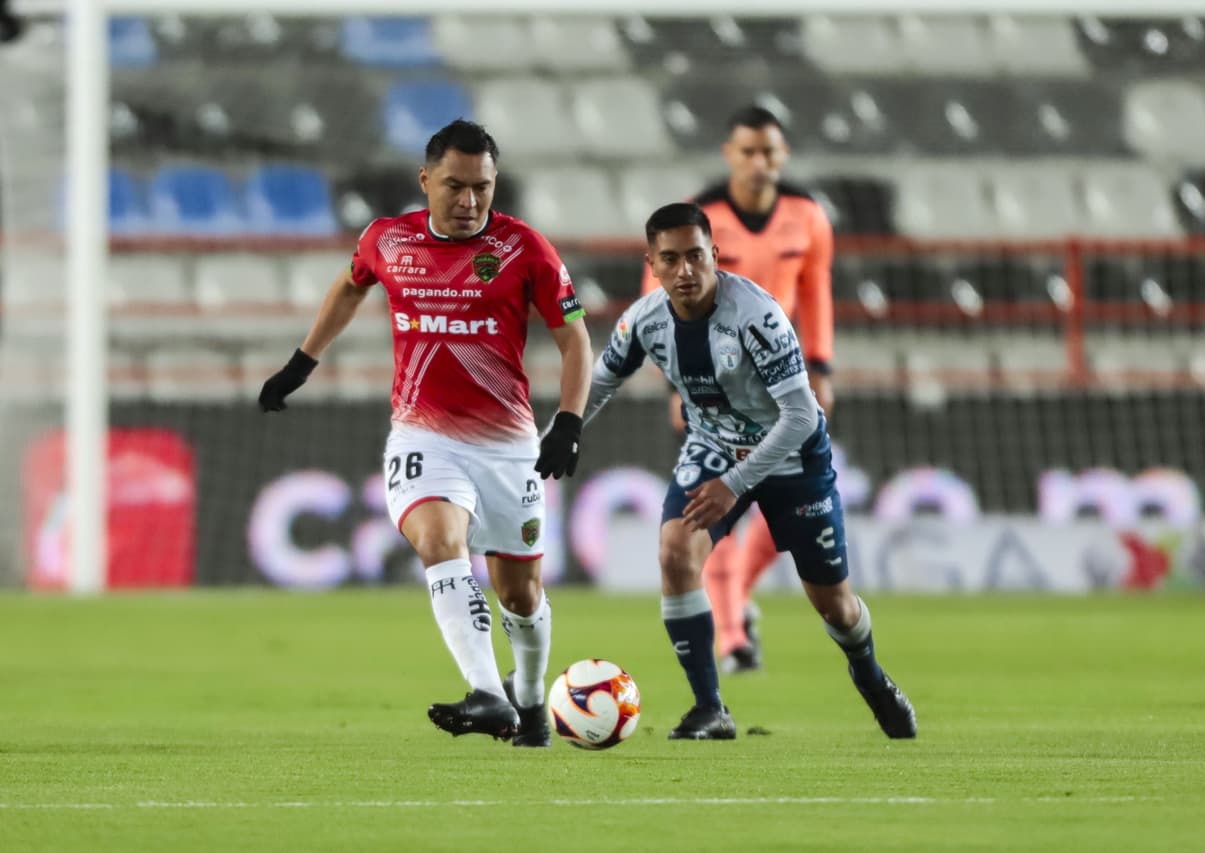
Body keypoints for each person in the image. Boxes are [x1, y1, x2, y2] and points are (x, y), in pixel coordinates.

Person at [258, 119, 592, 748]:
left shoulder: (526, 249)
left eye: (483, 188)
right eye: (455, 186)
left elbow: (574, 337)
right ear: (425, 180)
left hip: (508, 446)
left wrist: (568, 420)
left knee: (519, 594)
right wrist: (302, 362)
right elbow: (350, 286)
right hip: (423, 438)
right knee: (440, 542)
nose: (469, 202)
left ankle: (529, 701)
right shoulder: (388, 240)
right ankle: (488, 693)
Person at [590, 202, 914, 740]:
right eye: (669, 260)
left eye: (696, 256)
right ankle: (710, 708)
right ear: (652, 264)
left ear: (715, 254)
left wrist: (736, 484)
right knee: (675, 550)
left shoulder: (756, 315)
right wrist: (563, 429)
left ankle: (870, 675)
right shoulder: (645, 319)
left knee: (834, 605)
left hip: (791, 455)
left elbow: (802, 415)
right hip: (714, 446)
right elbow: (600, 380)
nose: (685, 271)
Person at [642, 105, 835, 674]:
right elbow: (657, 306)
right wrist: (677, 385)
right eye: (747, 151)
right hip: (713, 387)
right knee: (712, 510)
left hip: (781, 383)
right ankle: (732, 636)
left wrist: (821, 365)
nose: (758, 162)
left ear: (784, 155)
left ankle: (736, 608)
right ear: (729, 155)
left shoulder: (807, 215)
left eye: (768, 151)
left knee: (783, 510)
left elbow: (817, 291)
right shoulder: (702, 222)